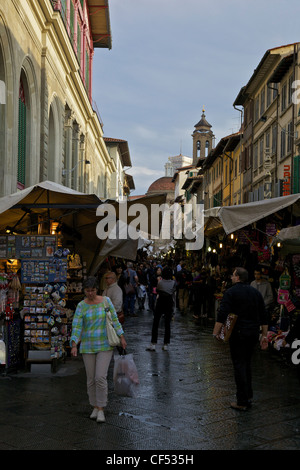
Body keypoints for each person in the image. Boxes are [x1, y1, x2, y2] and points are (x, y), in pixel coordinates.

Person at [70, 276, 127, 423]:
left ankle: (101, 408)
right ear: (84, 291)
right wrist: (74, 343)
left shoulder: (106, 301)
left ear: (97, 289)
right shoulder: (81, 306)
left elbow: (114, 320)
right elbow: (77, 326)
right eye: (87, 291)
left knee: (100, 377)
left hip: (105, 344)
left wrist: (121, 336)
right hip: (87, 346)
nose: (90, 293)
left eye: (93, 290)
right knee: (90, 380)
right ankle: (94, 406)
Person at [213, 267, 268, 411]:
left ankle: (242, 401)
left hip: (238, 333)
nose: (231, 277)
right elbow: (263, 316)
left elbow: (222, 314)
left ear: (237, 277)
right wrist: (265, 335)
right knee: (247, 363)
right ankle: (248, 395)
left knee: (239, 365)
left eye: (233, 275)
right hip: (253, 333)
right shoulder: (255, 293)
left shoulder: (231, 292)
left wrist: (215, 333)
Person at [147, 267, 177, 351]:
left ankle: (153, 343)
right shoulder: (173, 283)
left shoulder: (160, 282)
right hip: (169, 302)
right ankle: (166, 344)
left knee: (156, 322)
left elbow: (158, 290)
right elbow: (173, 292)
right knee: (167, 324)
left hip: (160, 302)